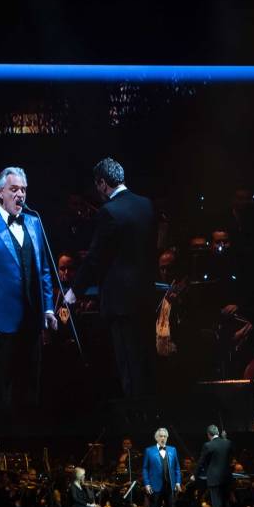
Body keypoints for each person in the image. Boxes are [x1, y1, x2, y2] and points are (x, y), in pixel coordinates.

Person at [0, 167, 58, 421]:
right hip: (0, 323)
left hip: (32, 322)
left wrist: (48, 308)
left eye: (24, 190)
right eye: (14, 189)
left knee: (32, 392)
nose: (20, 195)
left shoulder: (34, 222)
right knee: (4, 395)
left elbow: (45, 270)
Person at [64, 157, 156, 397]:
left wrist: (74, 291)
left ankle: (135, 423)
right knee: (145, 363)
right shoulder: (146, 204)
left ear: (103, 183)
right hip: (145, 298)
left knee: (129, 367)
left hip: (121, 303)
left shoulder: (109, 211)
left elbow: (95, 257)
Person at [192, 425, 234, 507]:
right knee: (227, 505)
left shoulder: (208, 445)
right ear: (218, 433)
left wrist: (195, 475)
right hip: (227, 479)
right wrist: (225, 438)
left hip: (214, 480)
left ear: (208, 434)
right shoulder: (228, 443)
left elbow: (201, 462)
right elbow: (229, 453)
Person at [142, 428, 182, 507]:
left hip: (170, 486)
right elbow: (145, 469)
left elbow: (177, 467)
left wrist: (178, 482)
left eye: (165, 436)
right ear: (156, 438)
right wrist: (147, 484)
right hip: (155, 487)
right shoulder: (149, 451)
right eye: (161, 436)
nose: (163, 438)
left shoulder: (172, 450)